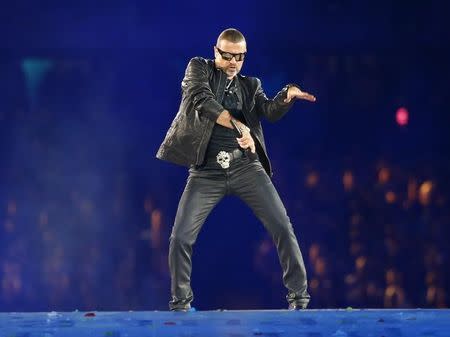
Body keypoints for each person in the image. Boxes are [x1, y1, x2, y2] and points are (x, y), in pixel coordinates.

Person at [156, 28, 316, 311]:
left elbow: (268, 112)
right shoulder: (199, 68)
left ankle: (299, 299)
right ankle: (181, 303)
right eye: (227, 55)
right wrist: (239, 125)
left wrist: (285, 97)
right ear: (216, 51)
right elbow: (201, 101)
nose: (233, 62)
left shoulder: (250, 85)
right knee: (181, 237)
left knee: (282, 226)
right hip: (206, 172)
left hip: (246, 167)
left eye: (239, 57)